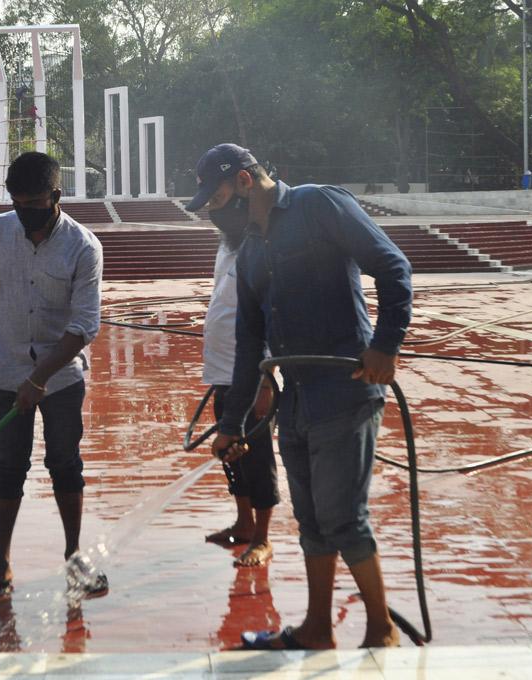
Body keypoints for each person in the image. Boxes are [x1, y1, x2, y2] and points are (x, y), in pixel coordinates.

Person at [187, 143, 412, 649]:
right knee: (311, 519)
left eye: (219, 199)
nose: (216, 212)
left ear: (245, 181)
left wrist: (385, 345)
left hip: (346, 387)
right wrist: (232, 424)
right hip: (297, 396)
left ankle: (382, 629)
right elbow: (249, 346)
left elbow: (393, 267)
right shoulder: (250, 253)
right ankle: (316, 628)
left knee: (343, 517)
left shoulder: (318, 205)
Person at [0, 151, 107, 609]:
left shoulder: (83, 247)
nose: (26, 214)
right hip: (7, 373)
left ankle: (74, 558)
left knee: (65, 464)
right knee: (8, 469)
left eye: (35, 204)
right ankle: (0, 566)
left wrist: (39, 378)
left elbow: (84, 327)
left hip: (60, 379)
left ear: (56, 196)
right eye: (18, 204)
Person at [201, 184, 280, 567]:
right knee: (230, 452)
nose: (213, 211)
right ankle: (244, 522)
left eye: (217, 200)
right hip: (223, 368)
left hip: (253, 371)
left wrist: (266, 372)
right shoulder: (229, 244)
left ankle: (263, 537)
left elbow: (270, 312)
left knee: (256, 454)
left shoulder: (265, 245)